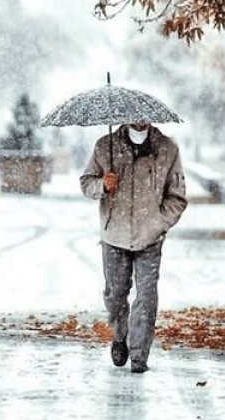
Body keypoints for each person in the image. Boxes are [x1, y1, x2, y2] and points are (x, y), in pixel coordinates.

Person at [81, 122, 188, 373]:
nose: (138, 119)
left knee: (147, 296)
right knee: (115, 294)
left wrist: (159, 223)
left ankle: (139, 355)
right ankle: (120, 336)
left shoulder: (167, 149)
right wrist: (102, 185)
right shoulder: (105, 146)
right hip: (114, 234)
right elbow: (86, 182)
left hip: (150, 237)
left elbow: (178, 196)